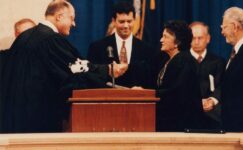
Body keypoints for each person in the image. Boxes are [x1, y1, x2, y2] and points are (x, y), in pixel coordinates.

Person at [0, 1, 127, 133]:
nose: (74, 24)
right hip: (37, 122)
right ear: (59, 16)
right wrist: (108, 70)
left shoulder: (24, 37)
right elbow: (75, 69)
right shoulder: (51, 39)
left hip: (12, 119)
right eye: (72, 18)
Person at [87, 1, 154, 88]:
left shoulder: (147, 50)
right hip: (107, 99)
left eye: (129, 21)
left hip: (137, 99)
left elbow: (150, 80)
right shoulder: (97, 48)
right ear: (114, 21)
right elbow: (91, 79)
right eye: (122, 22)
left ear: (134, 20)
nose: (126, 26)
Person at [154, 20, 206, 131]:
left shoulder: (186, 63)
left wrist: (149, 94)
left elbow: (176, 93)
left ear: (177, 42)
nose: (161, 40)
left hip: (183, 127)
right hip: (170, 123)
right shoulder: (167, 60)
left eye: (165, 37)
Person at [189, 21, 226, 129]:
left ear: (208, 38)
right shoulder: (181, 61)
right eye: (193, 38)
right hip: (188, 112)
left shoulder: (218, 62)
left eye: (200, 38)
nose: (196, 42)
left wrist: (212, 100)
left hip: (212, 114)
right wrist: (197, 102)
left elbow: (221, 85)